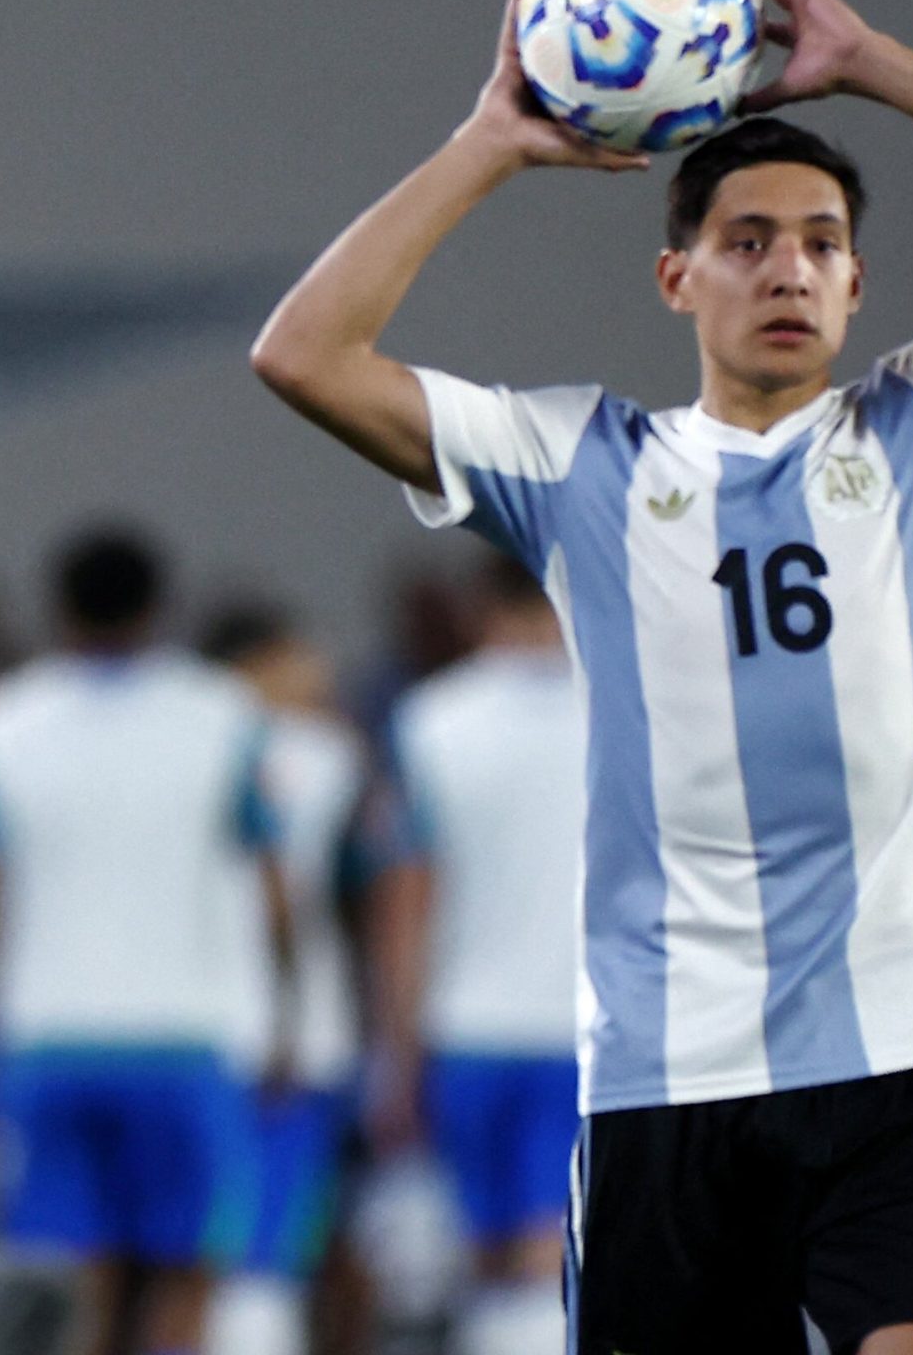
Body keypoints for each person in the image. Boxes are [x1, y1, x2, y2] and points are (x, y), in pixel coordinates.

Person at [249, 0, 913, 1353]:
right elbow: (302, 354)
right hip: (668, 1083)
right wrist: (488, 144)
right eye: (748, 243)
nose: (788, 269)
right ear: (677, 278)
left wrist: (875, 65)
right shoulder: (579, 464)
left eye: (821, 244)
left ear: (857, 285)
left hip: (908, 1062)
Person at [0, 526, 292, 1355]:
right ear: (159, 607)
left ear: (57, 611)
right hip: (184, 1038)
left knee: (70, 1283)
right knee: (186, 1272)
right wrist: (286, 1014)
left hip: (45, 1038)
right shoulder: (223, 717)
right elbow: (274, 893)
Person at [373, 553, 584, 1355]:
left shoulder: (431, 721)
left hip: (464, 1028)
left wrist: (397, 1051)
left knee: (484, 1261)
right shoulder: (620, 707)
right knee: (553, 1254)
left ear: (478, 607)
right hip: (584, 1028)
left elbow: (406, 900)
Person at [193, 601, 373, 1355]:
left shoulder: (178, 749)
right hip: (297, 1031)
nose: (320, 670)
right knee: (269, 1248)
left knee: (201, 1253)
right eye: (300, 653)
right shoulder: (322, 753)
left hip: (196, 1026)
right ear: (256, 665)